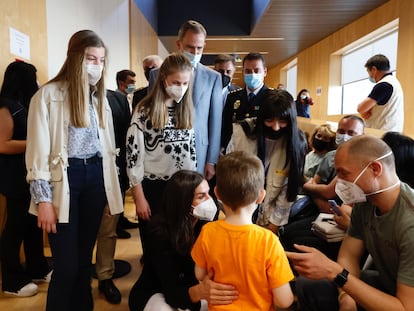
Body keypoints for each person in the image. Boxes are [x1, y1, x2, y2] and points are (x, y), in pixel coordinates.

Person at [25, 30, 123, 311]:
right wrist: (43, 200)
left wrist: (109, 193)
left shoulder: (99, 99)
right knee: (66, 266)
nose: (97, 65)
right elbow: (38, 154)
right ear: (75, 58)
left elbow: (106, 150)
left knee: (83, 262)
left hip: (94, 179)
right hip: (63, 182)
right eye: (91, 58)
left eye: (101, 60)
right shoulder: (47, 96)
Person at [287, 135, 414, 311]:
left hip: (405, 302)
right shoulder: (366, 201)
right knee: (309, 285)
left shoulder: (409, 223)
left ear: (375, 169)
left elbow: (405, 307)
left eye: (343, 173)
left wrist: (334, 272)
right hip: (390, 285)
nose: (339, 181)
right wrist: (346, 297)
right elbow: (349, 256)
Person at [192, 151, 295, 310]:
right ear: (261, 196)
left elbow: (199, 274)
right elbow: (284, 300)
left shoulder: (207, 231)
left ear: (217, 193)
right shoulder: (269, 241)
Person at [128, 170, 239, 311]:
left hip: (187, 289)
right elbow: (171, 290)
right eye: (201, 196)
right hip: (156, 292)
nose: (209, 201)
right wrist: (200, 291)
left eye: (208, 193)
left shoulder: (204, 225)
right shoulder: (159, 233)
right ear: (183, 201)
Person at [126, 53, 197, 257]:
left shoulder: (186, 109)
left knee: (178, 243)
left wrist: (194, 190)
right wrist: (138, 197)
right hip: (153, 187)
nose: (181, 88)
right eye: (176, 82)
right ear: (163, 78)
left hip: (182, 187)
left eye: (185, 83)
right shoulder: (144, 111)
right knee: (154, 244)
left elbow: (191, 153)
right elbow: (133, 157)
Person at [0, 61, 52, 297]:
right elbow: (3, 144)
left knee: (32, 225)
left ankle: (37, 267)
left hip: (30, 176)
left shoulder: (26, 104)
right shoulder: (6, 107)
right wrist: (36, 143)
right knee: (15, 228)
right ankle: (11, 280)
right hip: (14, 178)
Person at [149, 20, 223, 181]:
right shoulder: (157, 74)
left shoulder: (213, 78)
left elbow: (215, 122)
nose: (195, 52)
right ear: (179, 44)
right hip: (164, 149)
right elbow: (152, 117)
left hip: (199, 151)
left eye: (199, 48)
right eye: (190, 47)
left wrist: (212, 160)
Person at [95, 88, 132, 304]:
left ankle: (105, 277)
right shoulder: (64, 96)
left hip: (113, 174)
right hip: (79, 178)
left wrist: (123, 180)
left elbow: (125, 139)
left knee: (108, 231)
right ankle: (79, 278)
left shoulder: (116, 99)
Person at [254, 89, 308, 234]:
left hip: (271, 218)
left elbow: (287, 191)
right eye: (269, 120)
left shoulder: (297, 142)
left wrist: (273, 226)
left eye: (282, 121)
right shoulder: (244, 135)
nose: (276, 127)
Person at [221, 52, 269, 153]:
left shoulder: (271, 98)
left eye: (256, 70)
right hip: (236, 152)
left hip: (261, 152)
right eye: (248, 71)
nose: (252, 74)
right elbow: (226, 128)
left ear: (264, 72)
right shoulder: (232, 97)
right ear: (243, 72)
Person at [357, 54, 404, 132]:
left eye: (368, 71)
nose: (369, 75)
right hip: (393, 132)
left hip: (382, 133)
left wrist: (366, 109)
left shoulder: (384, 85)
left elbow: (361, 108)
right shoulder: (394, 82)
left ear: (374, 69)